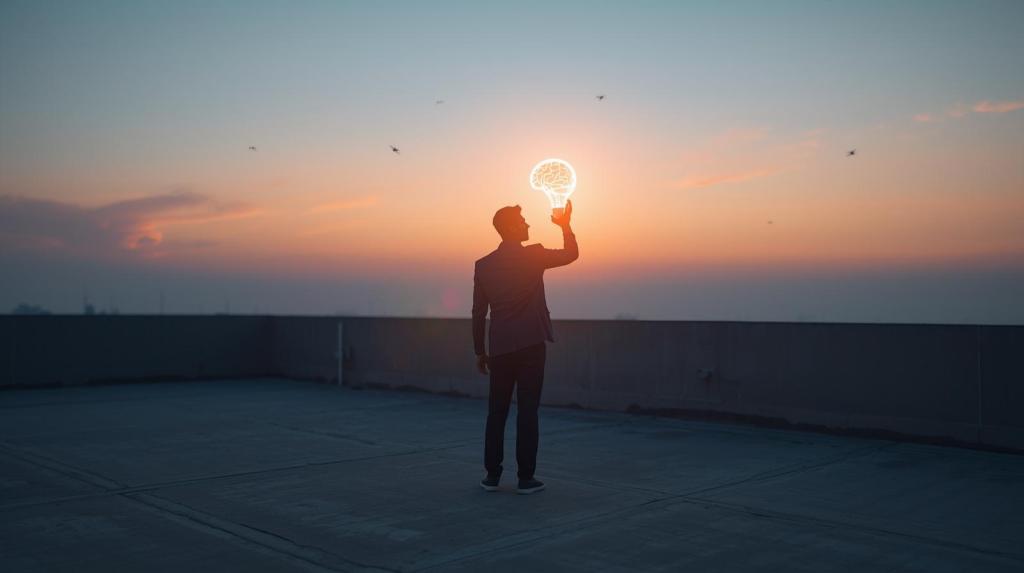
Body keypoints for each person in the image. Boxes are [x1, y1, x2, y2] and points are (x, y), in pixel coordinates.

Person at [472, 200, 578, 494]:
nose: (528, 225)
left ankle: (492, 476)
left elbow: (478, 312)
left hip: (501, 347)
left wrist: (479, 350)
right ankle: (525, 478)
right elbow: (572, 254)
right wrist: (565, 225)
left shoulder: (484, 265)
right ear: (510, 227)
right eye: (523, 221)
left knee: (497, 412)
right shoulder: (534, 255)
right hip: (531, 345)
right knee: (527, 412)